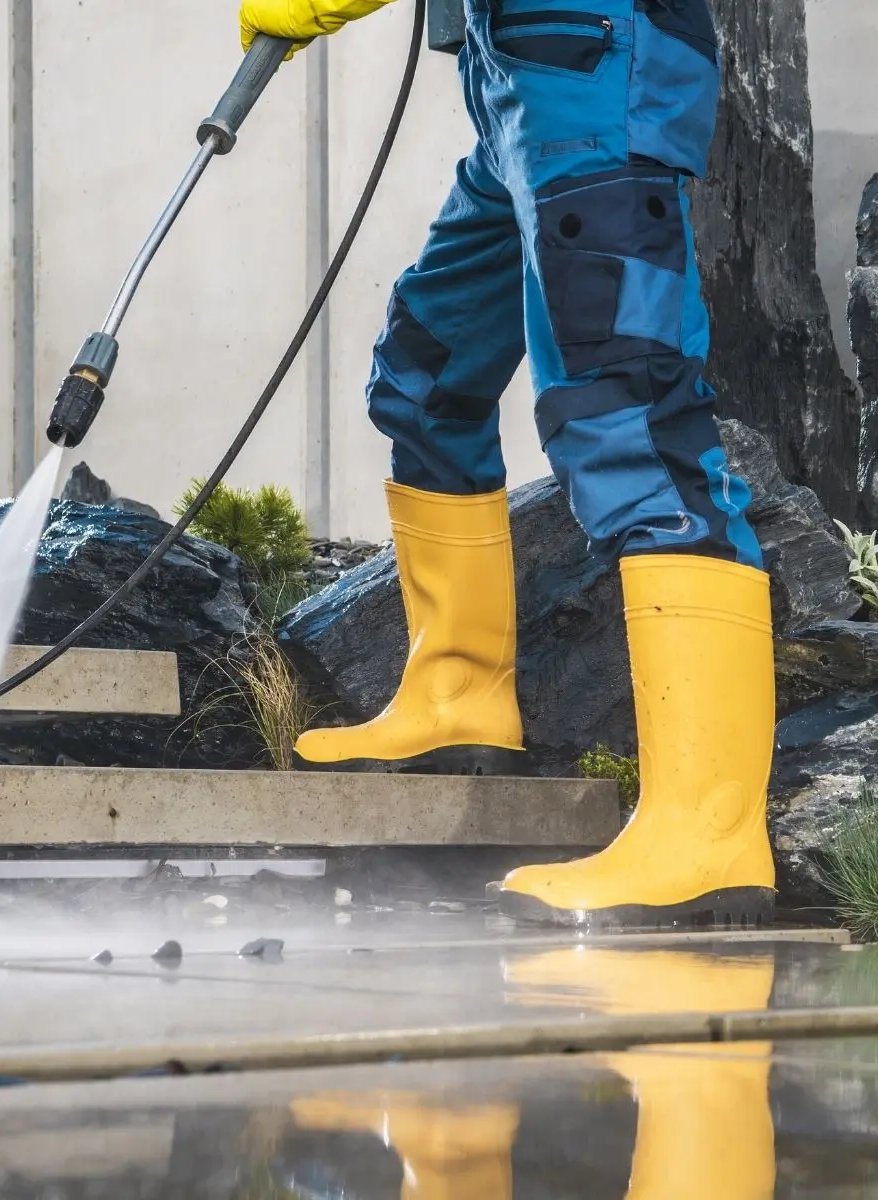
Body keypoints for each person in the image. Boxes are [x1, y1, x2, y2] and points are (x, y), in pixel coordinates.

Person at [239, 0, 776, 928]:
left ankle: (707, 834)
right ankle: (456, 696)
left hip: (595, 68)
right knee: (424, 375)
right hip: (514, 85)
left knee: (631, 420)